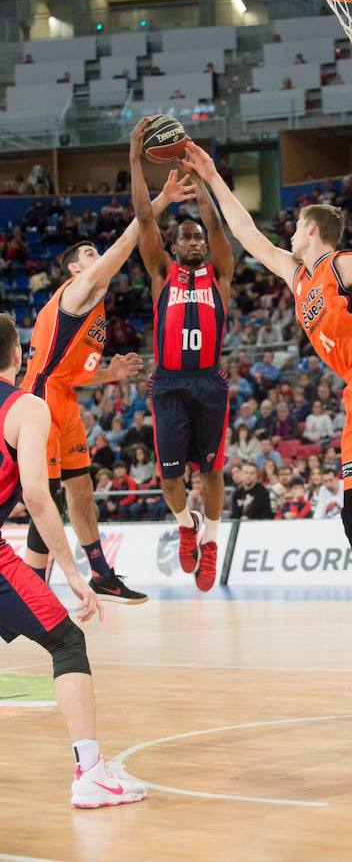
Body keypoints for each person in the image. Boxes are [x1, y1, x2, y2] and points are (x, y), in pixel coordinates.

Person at [181, 142, 352, 694]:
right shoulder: (297, 274)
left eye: (296, 226)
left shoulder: (345, 264)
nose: (289, 233)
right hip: (351, 396)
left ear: (313, 230)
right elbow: (247, 235)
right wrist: (213, 176)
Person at [19, 140, 191, 604]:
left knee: (81, 488)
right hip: (41, 402)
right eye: (90, 255)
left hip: (64, 398)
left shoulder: (94, 309)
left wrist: (109, 376)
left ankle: (101, 574)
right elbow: (127, 240)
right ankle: (33, 590)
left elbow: (72, 373)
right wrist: (160, 202)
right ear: (74, 268)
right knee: (48, 493)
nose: (100, 259)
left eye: (97, 254)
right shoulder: (77, 291)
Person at [0, 314, 146, 808]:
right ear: (19, 356)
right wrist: (72, 571)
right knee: (67, 640)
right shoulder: (28, 406)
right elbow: (39, 498)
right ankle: (90, 772)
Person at [130, 120, 235, 592]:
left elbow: (215, 224)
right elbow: (144, 220)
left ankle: (210, 542)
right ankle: (185, 525)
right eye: (186, 239)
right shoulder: (159, 276)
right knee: (171, 481)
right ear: (172, 249)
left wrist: (203, 185)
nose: (195, 242)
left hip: (209, 382)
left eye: (198, 238)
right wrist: (137, 159)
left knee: (212, 471)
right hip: (170, 384)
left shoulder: (220, 277)